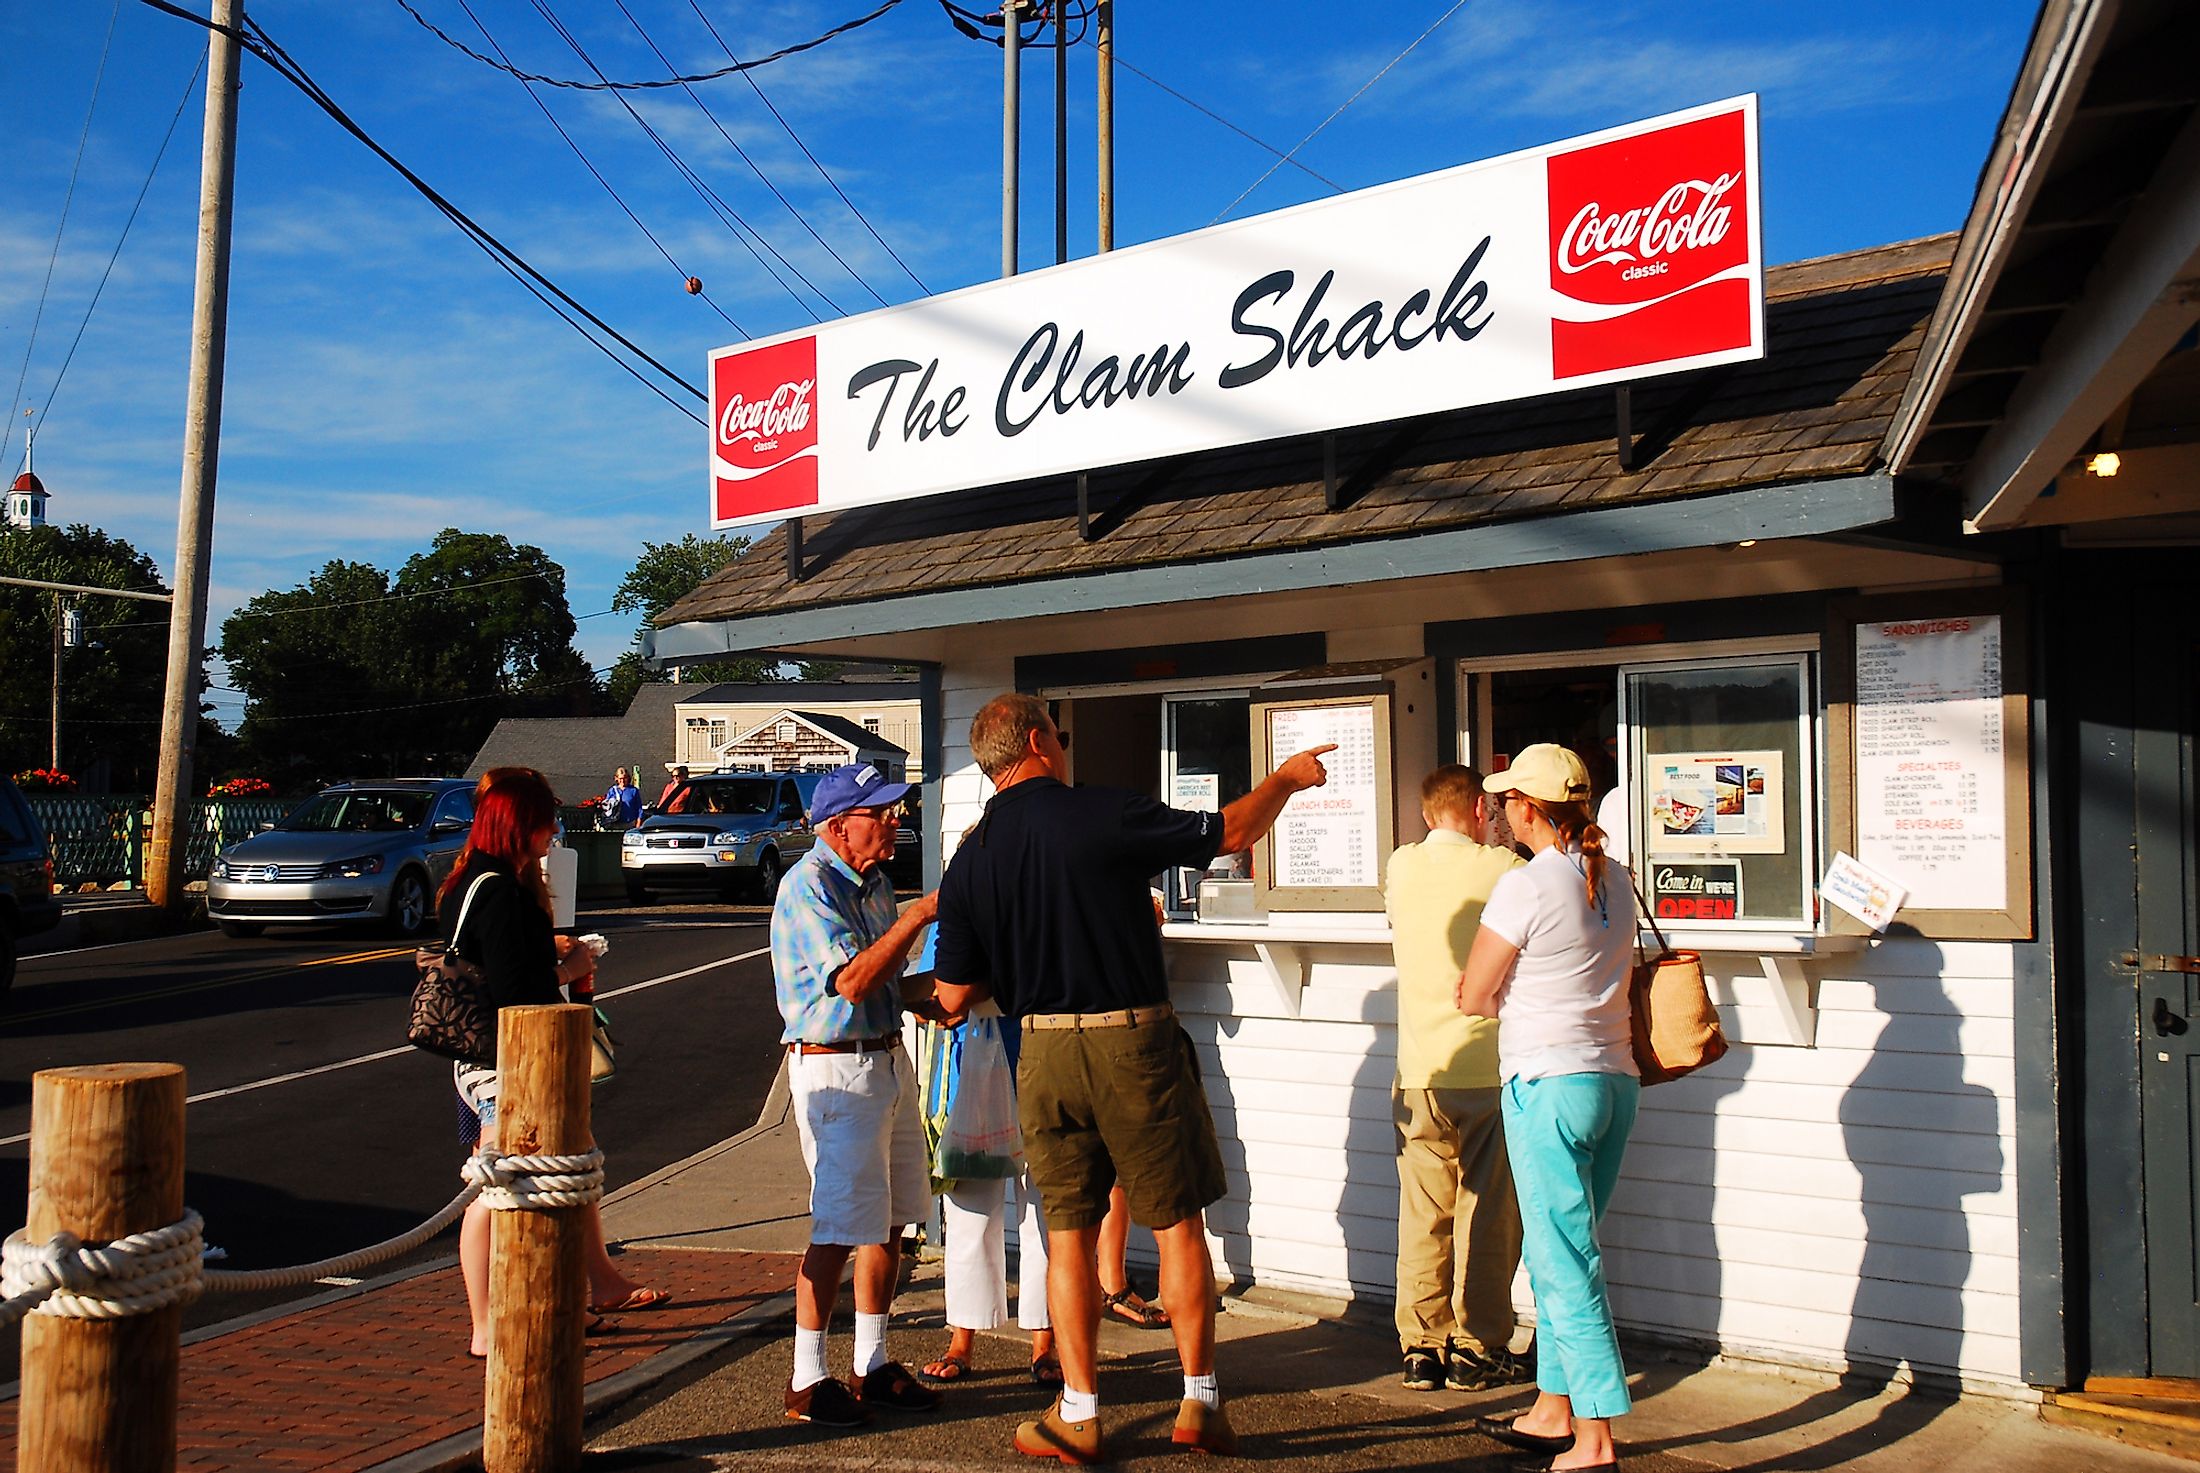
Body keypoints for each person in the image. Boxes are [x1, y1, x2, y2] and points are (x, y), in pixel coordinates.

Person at [931, 692, 1333, 1463]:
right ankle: (1199, 1401)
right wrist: (1285, 777)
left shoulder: (970, 857)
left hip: (1041, 1049)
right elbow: (1233, 831)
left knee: (1067, 1235)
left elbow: (953, 994)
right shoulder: (1100, 813)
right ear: (1042, 742)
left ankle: (1078, 1411)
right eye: (1059, 730)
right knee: (1177, 1219)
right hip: (1132, 1038)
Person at [1455, 744, 1639, 1473]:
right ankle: (1552, 1405)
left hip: (1546, 1084)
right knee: (1561, 1247)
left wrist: (1490, 995)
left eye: (1506, 800)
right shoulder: (1615, 878)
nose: (1498, 810)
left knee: (1563, 1260)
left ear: (1529, 808)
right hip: (1613, 1082)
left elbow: (1473, 992)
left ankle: (1594, 1438)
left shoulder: (1528, 885)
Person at [446, 769, 667, 1360]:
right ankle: (487, 1324)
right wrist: (568, 972)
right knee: (496, 1186)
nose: (553, 832)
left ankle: (589, 1285)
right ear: (526, 823)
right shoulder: (500, 889)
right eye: (548, 821)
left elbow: (503, 962)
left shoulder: (476, 879)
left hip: (494, 1056)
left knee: (565, 1165)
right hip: (504, 1061)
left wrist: (554, 954)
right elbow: (516, 988)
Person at [771, 762, 942, 1428]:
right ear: (840, 825)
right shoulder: (807, 886)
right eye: (883, 811)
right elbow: (852, 979)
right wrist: (920, 915)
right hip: (836, 1070)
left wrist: (940, 997)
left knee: (890, 1219)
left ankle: (870, 1362)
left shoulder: (869, 884)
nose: (895, 820)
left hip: (882, 1059)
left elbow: (888, 981)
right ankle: (806, 1377)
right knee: (838, 1227)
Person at [1384, 764, 1529, 1393]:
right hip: (1488, 1064)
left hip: (1419, 1071)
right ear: (1479, 810)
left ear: (1424, 814)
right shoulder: (1507, 871)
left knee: (1424, 1212)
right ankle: (1478, 1345)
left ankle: (1421, 1345)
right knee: (1488, 1213)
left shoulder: (1401, 867)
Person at [917, 1003, 1059, 1388]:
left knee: (1043, 1212)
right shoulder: (949, 935)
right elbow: (938, 990)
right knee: (970, 1214)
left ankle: (1044, 1339)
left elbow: (942, 993)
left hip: (1042, 1056)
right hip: (976, 1068)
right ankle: (963, 1338)